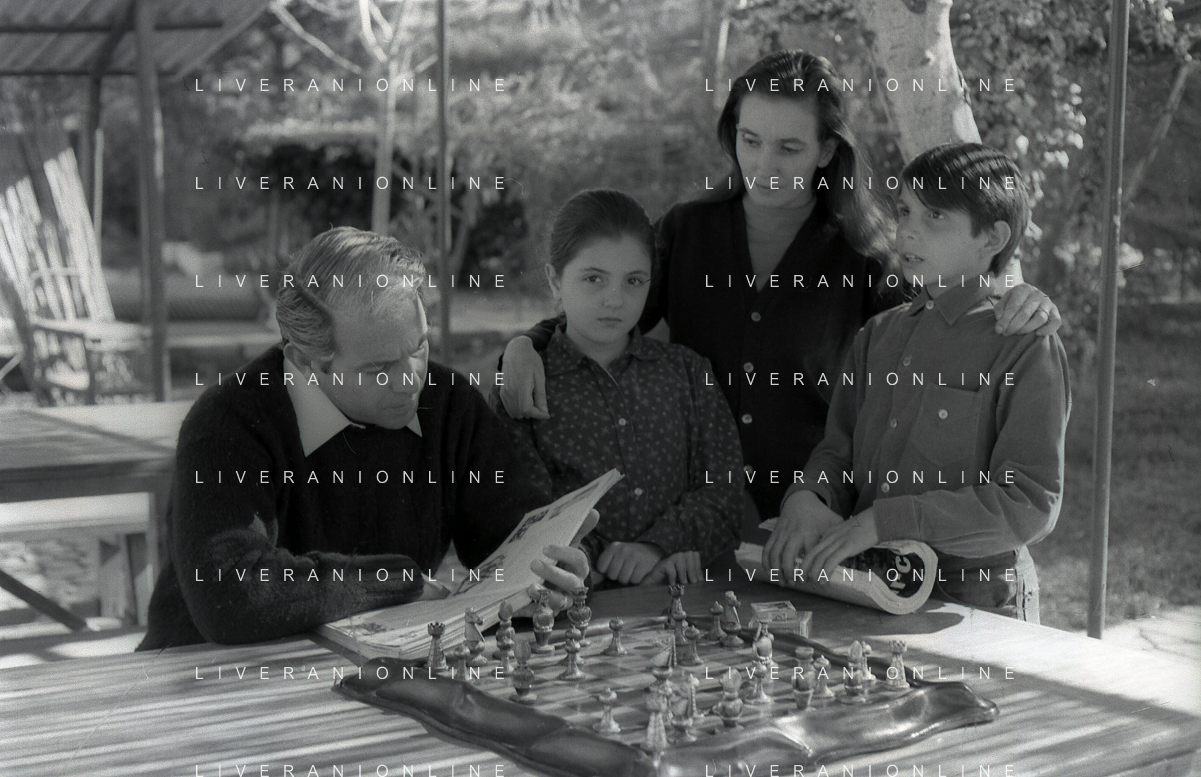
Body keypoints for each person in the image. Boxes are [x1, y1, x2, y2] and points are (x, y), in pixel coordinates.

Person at [498, 50, 1061, 525]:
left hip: (809, 523)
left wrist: (1018, 297)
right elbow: (609, 313)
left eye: (789, 148)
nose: (763, 164)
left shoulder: (869, 255)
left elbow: (948, 321)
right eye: (750, 140)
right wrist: (529, 343)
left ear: (827, 150)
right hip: (688, 519)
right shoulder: (686, 230)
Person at [137, 227, 590, 650]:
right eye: (379, 368)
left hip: (369, 669)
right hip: (201, 674)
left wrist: (548, 575)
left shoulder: (450, 403)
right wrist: (396, 581)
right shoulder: (227, 423)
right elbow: (232, 596)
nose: (410, 380)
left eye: (418, 346)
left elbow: (508, 545)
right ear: (306, 360)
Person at [763, 143, 1070, 622]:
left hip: (973, 604)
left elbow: (1028, 502)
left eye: (935, 216)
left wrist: (888, 521)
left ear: (992, 237)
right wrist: (811, 495)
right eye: (904, 211)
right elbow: (838, 452)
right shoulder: (877, 335)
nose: (907, 229)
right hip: (868, 586)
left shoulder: (1024, 344)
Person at [490, 190, 744, 586]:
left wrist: (659, 546)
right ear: (555, 280)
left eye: (633, 281)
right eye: (594, 278)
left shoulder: (687, 373)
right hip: (568, 607)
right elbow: (528, 518)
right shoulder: (525, 387)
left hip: (682, 599)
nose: (615, 300)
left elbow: (725, 492)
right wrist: (600, 562)